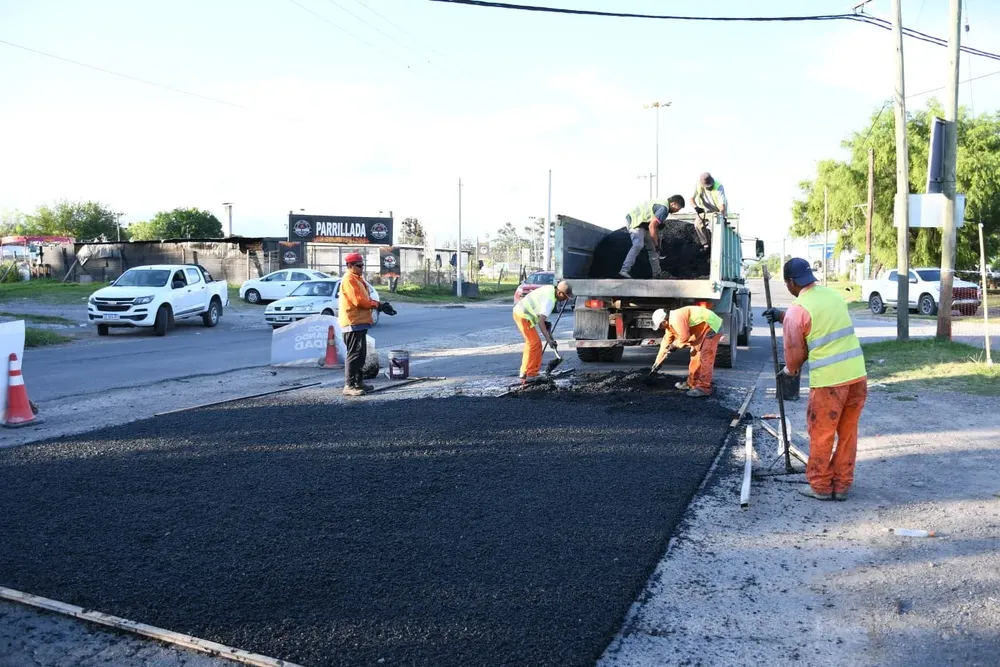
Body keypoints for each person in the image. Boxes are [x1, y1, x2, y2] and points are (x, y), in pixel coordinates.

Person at [763, 258, 868, 502]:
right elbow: (819, 322)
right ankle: (841, 486)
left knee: (821, 433)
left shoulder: (797, 311)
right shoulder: (832, 296)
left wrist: (790, 372)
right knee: (848, 432)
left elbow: (794, 356)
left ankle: (820, 486)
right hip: (857, 376)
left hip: (829, 383)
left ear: (790, 283)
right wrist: (780, 315)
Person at [338, 252, 395, 396]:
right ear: (349, 266)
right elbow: (359, 301)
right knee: (354, 354)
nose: (361, 268)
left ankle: (358, 382)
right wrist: (378, 305)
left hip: (360, 322)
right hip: (352, 322)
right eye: (358, 266)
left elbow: (365, 298)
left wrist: (380, 304)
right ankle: (349, 385)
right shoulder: (349, 279)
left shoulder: (357, 279)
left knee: (361, 354)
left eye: (362, 265)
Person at [647, 305, 722, 397]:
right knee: (695, 356)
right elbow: (665, 344)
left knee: (706, 357)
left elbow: (684, 337)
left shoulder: (676, 319)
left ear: (664, 321)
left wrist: (675, 345)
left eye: (660, 326)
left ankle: (704, 388)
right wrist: (657, 362)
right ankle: (692, 384)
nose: (661, 328)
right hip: (700, 332)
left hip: (711, 327)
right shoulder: (669, 325)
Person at [512, 279, 574, 383]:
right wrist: (549, 340)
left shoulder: (550, 289)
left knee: (531, 343)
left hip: (521, 312)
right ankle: (531, 374)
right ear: (560, 293)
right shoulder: (550, 300)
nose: (565, 300)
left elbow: (541, 316)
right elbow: (541, 322)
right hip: (523, 315)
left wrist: (548, 331)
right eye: (565, 297)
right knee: (535, 343)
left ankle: (524, 372)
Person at [619, 195, 686, 279]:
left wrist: (656, 242)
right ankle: (624, 270)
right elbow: (652, 226)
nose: (677, 211)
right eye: (678, 208)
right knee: (638, 244)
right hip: (635, 222)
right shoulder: (663, 208)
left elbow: (652, 223)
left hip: (643, 224)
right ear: (674, 204)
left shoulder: (663, 206)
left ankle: (657, 274)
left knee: (653, 249)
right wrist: (657, 244)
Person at [689, 172, 728, 248]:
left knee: (715, 225)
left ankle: (715, 243)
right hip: (704, 210)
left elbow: (722, 206)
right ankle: (705, 243)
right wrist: (696, 207)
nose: (708, 187)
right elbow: (691, 199)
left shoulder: (719, 187)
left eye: (710, 186)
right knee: (697, 224)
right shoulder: (697, 185)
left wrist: (721, 216)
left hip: (717, 210)